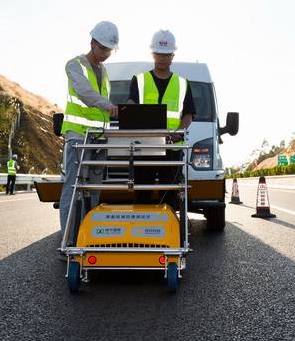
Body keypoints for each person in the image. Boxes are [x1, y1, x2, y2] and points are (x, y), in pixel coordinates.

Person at [58, 20, 119, 244]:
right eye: (103, 48)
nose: (106, 53)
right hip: (78, 137)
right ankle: (68, 241)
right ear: (92, 42)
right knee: (73, 189)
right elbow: (84, 92)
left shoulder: (104, 72)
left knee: (94, 191)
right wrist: (106, 104)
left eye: (109, 50)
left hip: (98, 139)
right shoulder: (74, 65)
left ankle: (88, 238)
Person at [127, 30, 195, 204]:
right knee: (142, 194)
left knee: (170, 196)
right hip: (145, 147)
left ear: (172, 56)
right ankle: (141, 229)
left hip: (172, 150)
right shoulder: (139, 80)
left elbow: (188, 114)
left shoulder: (182, 83)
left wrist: (180, 131)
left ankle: (170, 228)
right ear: (152, 54)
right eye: (158, 54)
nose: (162, 58)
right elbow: (131, 104)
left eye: (166, 54)